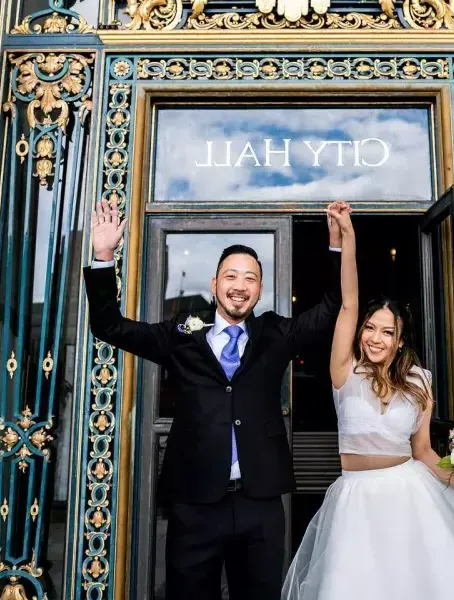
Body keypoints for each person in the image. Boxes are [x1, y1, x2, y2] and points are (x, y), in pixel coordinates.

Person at [83, 199, 349, 600]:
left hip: (259, 502)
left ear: (260, 290)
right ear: (214, 284)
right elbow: (109, 326)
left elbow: (331, 308)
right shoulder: (181, 334)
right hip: (195, 503)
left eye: (250, 279)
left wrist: (336, 244)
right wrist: (104, 257)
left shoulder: (277, 334)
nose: (239, 286)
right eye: (231, 276)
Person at [282, 205, 454, 600]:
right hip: (356, 498)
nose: (375, 337)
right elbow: (349, 303)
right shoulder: (344, 371)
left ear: (399, 340)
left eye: (387, 331)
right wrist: (346, 239)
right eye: (370, 329)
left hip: (411, 494)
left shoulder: (419, 382)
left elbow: (423, 451)